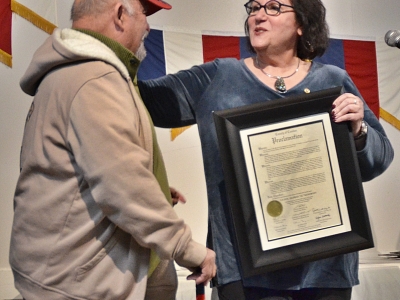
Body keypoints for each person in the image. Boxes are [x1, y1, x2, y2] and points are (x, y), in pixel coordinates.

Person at [137, 0, 394, 299]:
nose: (258, 16)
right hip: (244, 270)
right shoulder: (218, 78)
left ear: (301, 23)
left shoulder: (332, 81)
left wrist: (358, 131)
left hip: (324, 268)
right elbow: (144, 100)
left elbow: (379, 158)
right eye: (253, 7)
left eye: (273, 7)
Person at [9, 0, 217, 299]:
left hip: (79, 274)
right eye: (145, 14)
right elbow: (122, 185)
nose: (147, 26)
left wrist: (153, 183)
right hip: (84, 283)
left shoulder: (78, 73)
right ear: (120, 15)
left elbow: (90, 165)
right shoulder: (95, 79)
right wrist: (189, 249)